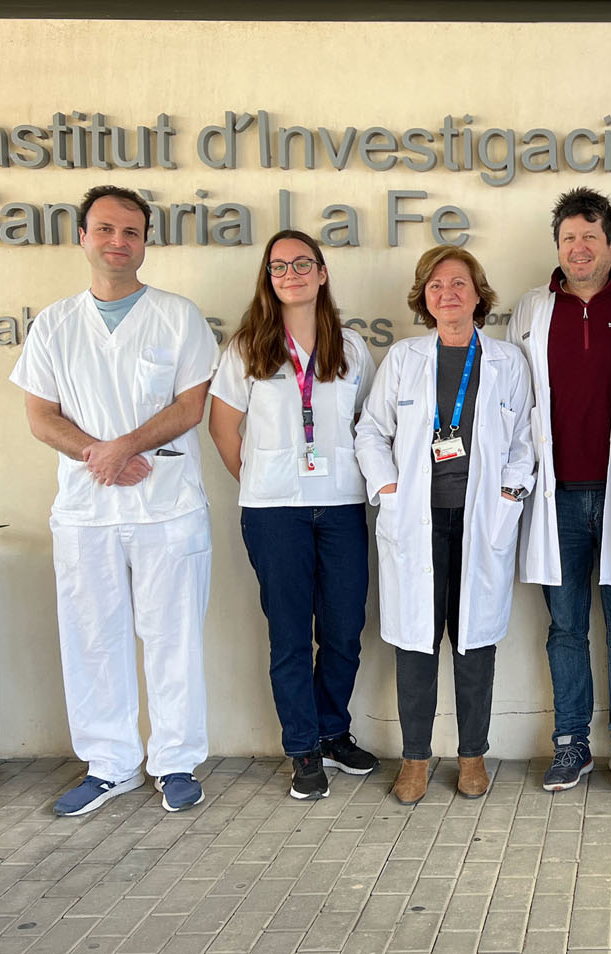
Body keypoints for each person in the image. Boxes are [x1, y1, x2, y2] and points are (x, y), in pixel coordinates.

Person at [9, 185, 216, 816]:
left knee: (174, 637)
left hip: (167, 505)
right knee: (92, 637)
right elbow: (41, 415)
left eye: (130, 231)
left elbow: (191, 405)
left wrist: (122, 448)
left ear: (145, 242)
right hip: (87, 510)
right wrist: (96, 455)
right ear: (83, 237)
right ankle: (109, 765)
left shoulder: (178, 316)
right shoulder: (54, 324)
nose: (117, 241)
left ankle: (176, 762)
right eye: (104, 229)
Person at [355, 245, 533, 805]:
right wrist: (388, 490)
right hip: (416, 519)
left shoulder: (507, 361)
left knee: (474, 640)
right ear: (424, 298)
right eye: (435, 285)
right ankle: (415, 758)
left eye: (458, 283)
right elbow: (371, 431)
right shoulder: (403, 358)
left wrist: (509, 495)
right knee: (416, 641)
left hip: (482, 519)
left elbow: (525, 439)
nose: (447, 293)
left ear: (478, 294)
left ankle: (472, 755)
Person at [208, 230, 380, 801]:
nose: (292, 274)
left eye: (303, 264)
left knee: (344, 631)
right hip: (273, 512)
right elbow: (223, 427)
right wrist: (259, 479)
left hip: (341, 505)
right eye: (279, 266)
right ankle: (303, 747)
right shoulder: (247, 349)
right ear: (268, 278)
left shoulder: (351, 348)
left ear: (322, 273)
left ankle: (333, 732)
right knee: (289, 636)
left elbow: (369, 424)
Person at [508, 189, 611, 793]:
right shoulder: (531, 310)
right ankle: (570, 742)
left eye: (591, 236)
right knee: (565, 625)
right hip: (558, 495)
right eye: (569, 237)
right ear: (558, 247)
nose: (580, 247)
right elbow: (514, 400)